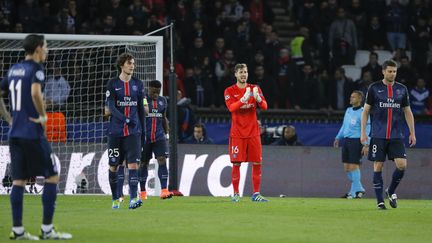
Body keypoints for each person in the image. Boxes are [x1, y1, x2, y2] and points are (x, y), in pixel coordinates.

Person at [0, 34, 72, 240]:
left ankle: (18, 230)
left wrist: (8, 118)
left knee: (18, 181)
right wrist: (42, 116)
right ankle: (47, 230)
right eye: (46, 46)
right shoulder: (36, 69)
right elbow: (34, 93)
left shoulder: (13, 69)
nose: (47, 50)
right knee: (52, 175)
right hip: (32, 132)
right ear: (39, 48)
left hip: (14, 133)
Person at [361, 60, 416, 210]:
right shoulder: (374, 88)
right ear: (383, 72)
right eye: (390, 71)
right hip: (378, 135)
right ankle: (380, 202)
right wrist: (363, 133)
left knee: (402, 165)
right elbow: (365, 111)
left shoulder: (402, 89)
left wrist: (412, 132)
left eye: (395, 71)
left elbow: (407, 111)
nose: (392, 74)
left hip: (396, 135)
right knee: (378, 166)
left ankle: (390, 191)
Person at [106, 53, 146, 209]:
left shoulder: (138, 84)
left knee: (133, 166)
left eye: (133, 63)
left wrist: (142, 131)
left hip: (133, 133)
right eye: (129, 63)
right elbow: (111, 107)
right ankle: (115, 198)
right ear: (122, 65)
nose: (132, 66)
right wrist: (125, 119)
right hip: (115, 132)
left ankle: (133, 199)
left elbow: (141, 110)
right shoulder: (112, 84)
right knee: (114, 166)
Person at [224, 63, 269, 202]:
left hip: (253, 133)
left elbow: (265, 106)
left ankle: (256, 194)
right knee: (236, 164)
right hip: (237, 134)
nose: (243, 74)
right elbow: (231, 108)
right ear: (236, 74)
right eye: (241, 72)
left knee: (257, 163)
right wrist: (243, 99)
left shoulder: (255, 88)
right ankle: (236, 194)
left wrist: (258, 98)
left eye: (245, 72)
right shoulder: (229, 91)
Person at [138, 80, 173, 200]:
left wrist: (167, 133)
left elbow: (163, 118)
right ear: (149, 89)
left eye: (158, 92)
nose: (156, 94)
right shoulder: (143, 100)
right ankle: (142, 192)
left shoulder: (163, 101)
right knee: (143, 163)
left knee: (162, 160)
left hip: (159, 137)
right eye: (154, 92)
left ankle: (164, 190)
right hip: (145, 138)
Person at [334, 91, 369, 199]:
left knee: (354, 166)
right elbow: (344, 125)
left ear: (360, 99)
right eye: (350, 96)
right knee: (347, 168)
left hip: (356, 141)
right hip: (347, 141)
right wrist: (338, 137)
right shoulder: (348, 110)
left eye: (353, 97)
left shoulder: (364, 112)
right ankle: (358, 190)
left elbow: (368, 128)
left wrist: (366, 143)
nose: (350, 98)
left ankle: (355, 192)